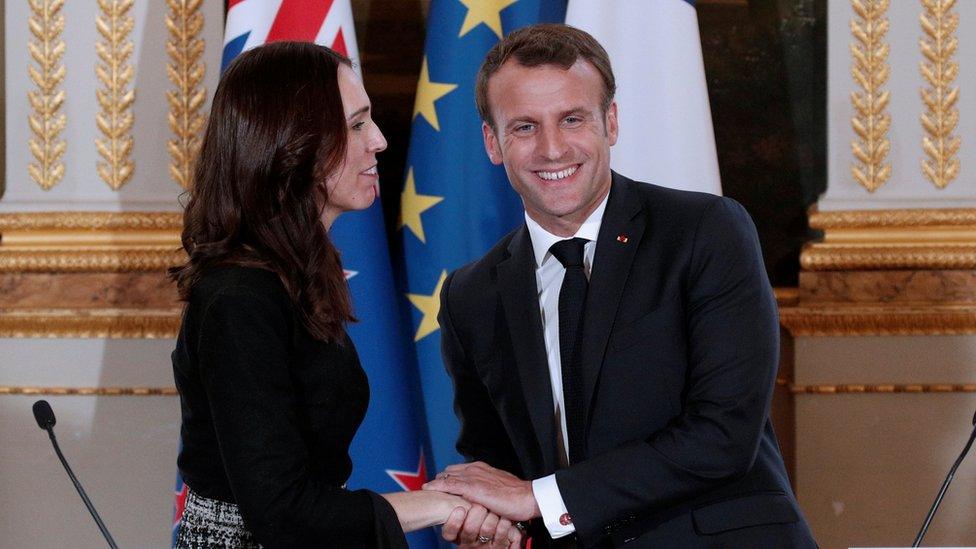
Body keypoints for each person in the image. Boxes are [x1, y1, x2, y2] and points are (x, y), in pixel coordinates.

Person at [424, 24, 818, 547]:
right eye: (524, 127)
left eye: (572, 119)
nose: (552, 148)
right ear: (492, 143)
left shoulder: (706, 230)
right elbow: (498, 467)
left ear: (610, 122)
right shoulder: (471, 295)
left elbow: (723, 436)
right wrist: (495, 522)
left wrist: (536, 500)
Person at [169, 42, 521, 549]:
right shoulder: (239, 297)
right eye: (356, 125)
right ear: (291, 142)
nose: (378, 140)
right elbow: (283, 512)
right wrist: (443, 504)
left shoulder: (290, 277)